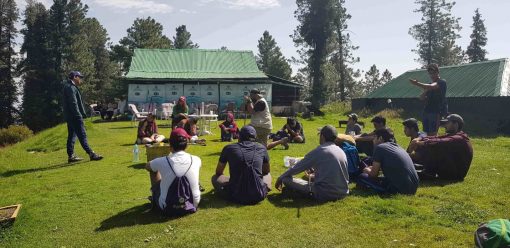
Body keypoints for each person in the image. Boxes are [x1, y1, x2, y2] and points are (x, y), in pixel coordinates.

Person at [275, 125, 349, 202]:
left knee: (286, 179)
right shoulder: (341, 151)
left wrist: (281, 177)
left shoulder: (320, 150)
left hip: (324, 193)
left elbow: (296, 168)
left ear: (322, 136)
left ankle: (297, 193)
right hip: (343, 192)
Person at [146, 128, 201, 213]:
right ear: (187, 145)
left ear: (170, 146)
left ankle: (156, 197)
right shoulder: (197, 159)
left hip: (167, 207)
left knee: (153, 170)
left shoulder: (161, 161)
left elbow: (148, 166)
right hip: (193, 204)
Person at [212, 126, 271, 204]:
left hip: (234, 194)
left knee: (215, 177)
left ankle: (230, 185)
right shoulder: (262, 148)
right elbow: (266, 171)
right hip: (258, 194)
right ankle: (265, 189)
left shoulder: (229, 148)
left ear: (239, 136)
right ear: (255, 136)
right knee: (268, 175)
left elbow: (219, 172)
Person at [408, 114, 473, 181]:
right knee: (430, 144)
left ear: (455, 124)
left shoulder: (459, 138)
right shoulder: (455, 135)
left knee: (433, 145)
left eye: (447, 123)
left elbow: (439, 141)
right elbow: (436, 137)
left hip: (455, 175)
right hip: (451, 170)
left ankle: (425, 171)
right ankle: (421, 166)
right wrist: (419, 138)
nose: (445, 126)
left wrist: (420, 143)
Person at [357, 128, 419, 195]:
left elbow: (373, 174)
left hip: (400, 190)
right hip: (413, 187)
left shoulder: (380, 147)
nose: (373, 140)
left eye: (374, 138)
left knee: (362, 176)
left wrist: (367, 170)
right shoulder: (398, 147)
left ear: (380, 138)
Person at [62, 71, 103, 163]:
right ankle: (91, 154)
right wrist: (78, 115)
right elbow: (73, 103)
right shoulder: (70, 88)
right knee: (82, 135)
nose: (81, 79)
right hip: (75, 116)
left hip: (70, 116)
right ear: (75, 77)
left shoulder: (69, 87)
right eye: (80, 77)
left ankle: (71, 156)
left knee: (72, 136)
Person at [409, 63, 448, 136]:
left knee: (432, 134)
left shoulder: (442, 82)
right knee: (425, 133)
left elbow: (432, 86)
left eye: (433, 73)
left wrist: (417, 84)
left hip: (436, 112)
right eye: (430, 73)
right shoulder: (429, 85)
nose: (432, 75)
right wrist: (426, 90)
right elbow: (421, 97)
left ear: (437, 72)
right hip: (426, 111)